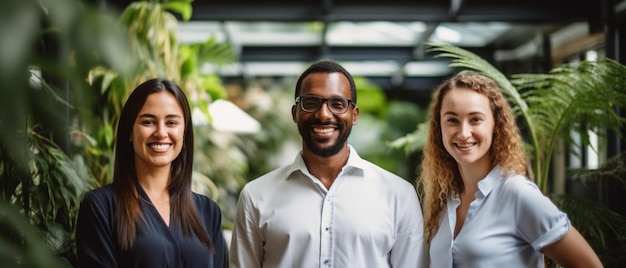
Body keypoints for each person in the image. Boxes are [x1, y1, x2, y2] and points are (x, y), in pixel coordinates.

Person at [229, 60, 425, 268]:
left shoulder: (399, 195)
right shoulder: (256, 196)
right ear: (295, 112)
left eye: (338, 104)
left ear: (354, 115)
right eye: (311, 103)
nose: (323, 114)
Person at [419, 71, 602, 267]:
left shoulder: (517, 194)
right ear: (439, 126)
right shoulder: (443, 199)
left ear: (495, 125)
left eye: (475, 119)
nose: (464, 133)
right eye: (452, 120)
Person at [76, 79, 226, 268]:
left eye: (171, 122)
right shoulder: (101, 207)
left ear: (184, 133)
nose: (161, 132)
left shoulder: (208, 211)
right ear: (130, 131)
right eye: (148, 122)